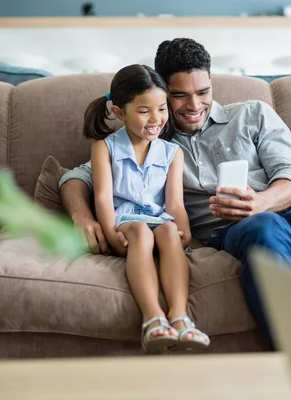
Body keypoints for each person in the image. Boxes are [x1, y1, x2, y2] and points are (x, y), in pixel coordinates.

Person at [60, 39, 291, 347]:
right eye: (179, 96)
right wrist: (81, 214)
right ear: (162, 94)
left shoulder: (253, 114)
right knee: (263, 229)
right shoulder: (151, 139)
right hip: (237, 231)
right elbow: (78, 177)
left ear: (212, 82)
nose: (194, 105)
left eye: (202, 92)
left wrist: (261, 202)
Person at [82, 64, 210, 354]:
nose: (156, 119)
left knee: (167, 229)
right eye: (144, 111)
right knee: (141, 230)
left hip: (158, 220)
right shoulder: (105, 147)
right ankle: (153, 319)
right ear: (118, 112)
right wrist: (111, 232)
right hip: (126, 222)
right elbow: (102, 197)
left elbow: (174, 203)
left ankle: (180, 318)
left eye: (162, 109)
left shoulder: (171, 152)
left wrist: (184, 229)